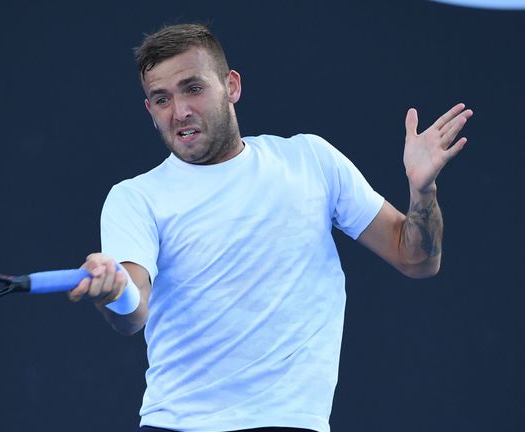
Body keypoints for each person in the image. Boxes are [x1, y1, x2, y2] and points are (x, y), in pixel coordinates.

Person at [67, 23, 473, 432]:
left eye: (193, 88)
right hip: (177, 425)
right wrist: (115, 291)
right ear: (150, 110)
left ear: (232, 86)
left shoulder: (311, 160)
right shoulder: (134, 197)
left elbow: (417, 259)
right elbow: (133, 311)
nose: (179, 111)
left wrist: (423, 190)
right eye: (161, 99)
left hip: (292, 422)